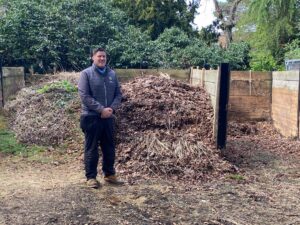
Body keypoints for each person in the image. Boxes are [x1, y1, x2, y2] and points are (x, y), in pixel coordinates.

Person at [78, 47, 123, 188]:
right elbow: (84, 96)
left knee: (109, 147)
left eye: (104, 56)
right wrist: (100, 109)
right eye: (99, 56)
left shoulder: (112, 74)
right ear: (93, 57)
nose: (102, 59)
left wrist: (111, 109)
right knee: (91, 148)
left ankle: (109, 174)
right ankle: (91, 177)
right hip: (91, 117)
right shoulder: (86, 74)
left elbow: (118, 95)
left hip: (108, 117)